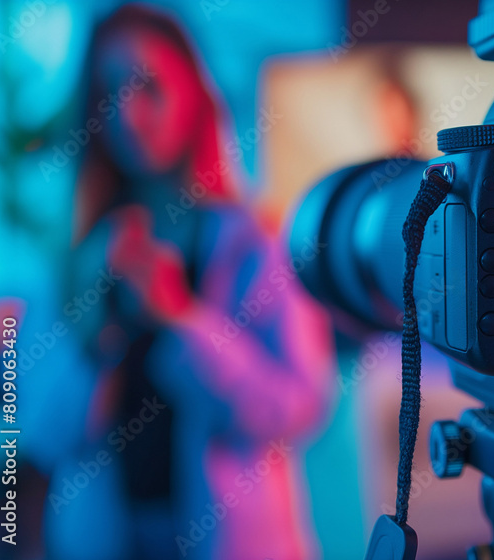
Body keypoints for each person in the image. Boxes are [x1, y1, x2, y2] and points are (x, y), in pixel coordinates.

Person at [54, 5, 333, 559]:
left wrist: (181, 318)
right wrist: (92, 333)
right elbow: (40, 433)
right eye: (108, 94)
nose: (127, 114)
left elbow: (301, 406)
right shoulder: (81, 256)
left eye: (148, 85)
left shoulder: (254, 244)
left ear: (195, 93)